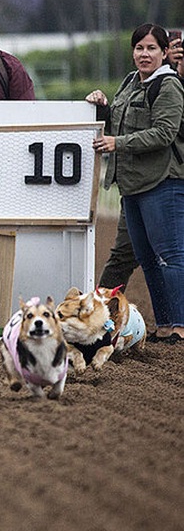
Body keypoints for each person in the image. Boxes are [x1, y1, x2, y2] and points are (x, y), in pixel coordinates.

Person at [86, 23, 184, 343]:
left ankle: (180, 326)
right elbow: (117, 121)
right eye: (140, 48)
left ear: (165, 52)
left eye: (152, 48)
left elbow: (164, 133)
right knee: (146, 259)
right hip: (132, 185)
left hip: (163, 182)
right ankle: (165, 324)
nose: (145, 54)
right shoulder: (130, 81)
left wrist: (119, 143)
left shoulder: (168, 85)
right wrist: (101, 106)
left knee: (171, 255)